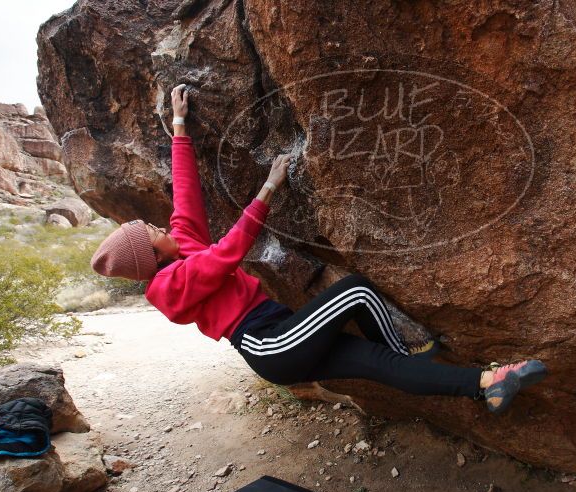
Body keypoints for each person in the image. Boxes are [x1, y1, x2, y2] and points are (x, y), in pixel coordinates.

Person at [90, 84, 548, 415]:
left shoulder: (181, 244)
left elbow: (185, 194)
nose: (153, 225)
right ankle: (414, 356)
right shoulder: (169, 285)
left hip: (282, 330)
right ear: (150, 258)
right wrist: (268, 189)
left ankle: (487, 384)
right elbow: (226, 254)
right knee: (357, 292)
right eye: (147, 232)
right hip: (268, 345)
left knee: (380, 364)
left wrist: (179, 126)